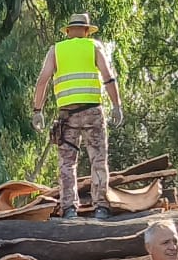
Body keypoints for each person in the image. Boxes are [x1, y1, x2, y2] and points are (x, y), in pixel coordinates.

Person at [31, 13, 122, 221]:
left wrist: (38, 110)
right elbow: (108, 77)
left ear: (69, 31)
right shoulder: (94, 47)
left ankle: (69, 208)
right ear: (87, 31)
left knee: (66, 162)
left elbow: (42, 81)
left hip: (67, 115)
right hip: (93, 112)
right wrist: (117, 105)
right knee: (98, 159)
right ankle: (101, 207)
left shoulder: (56, 49)